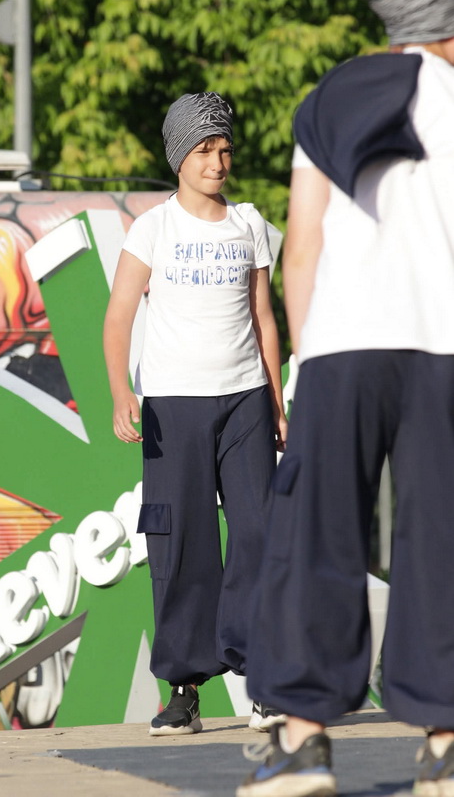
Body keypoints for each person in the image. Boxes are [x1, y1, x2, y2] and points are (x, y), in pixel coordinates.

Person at [237, 0, 454, 795]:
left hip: (342, 343)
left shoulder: (333, 94)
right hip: (445, 343)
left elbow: (304, 243)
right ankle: (445, 747)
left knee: (318, 535)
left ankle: (302, 745)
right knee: (443, 537)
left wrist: (306, 358)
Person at [103, 92, 287, 736]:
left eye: (224, 149)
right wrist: (121, 392)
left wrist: (276, 402)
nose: (218, 161)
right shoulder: (153, 228)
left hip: (244, 402)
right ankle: (183, 689)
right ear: (179, 157)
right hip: (171, 406)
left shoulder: (249, 223)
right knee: (181, 542)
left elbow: (264, 319)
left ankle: (263, 678)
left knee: (259, 532)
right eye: (205, 150)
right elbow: (118, 317)